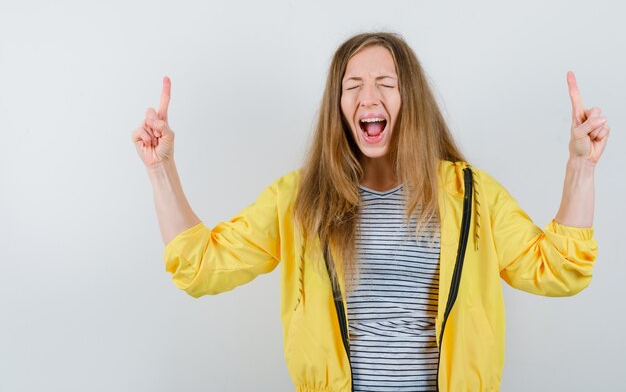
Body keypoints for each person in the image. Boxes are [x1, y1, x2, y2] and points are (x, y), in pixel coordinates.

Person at [132, 32, 610, 392]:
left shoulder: (471, 196)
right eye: (352, 86)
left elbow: (560, 270)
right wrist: (161, 171)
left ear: (411, 101)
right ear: (338, 105)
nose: (368, 97)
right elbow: (200, 267)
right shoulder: (299, 199)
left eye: (385, 83)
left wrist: (581, 167)